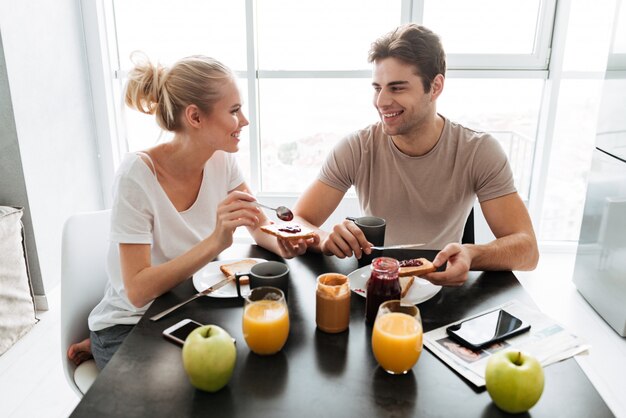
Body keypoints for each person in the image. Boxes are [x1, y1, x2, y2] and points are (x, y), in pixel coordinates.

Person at [68, 53, 316, 369]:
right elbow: (137, 291)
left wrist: (283, 242)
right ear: (195, 117)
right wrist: (216, 242)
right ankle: (100, 343)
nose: (244, 121)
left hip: (183, 306)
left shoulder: (221, 159)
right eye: (234, 111)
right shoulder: (137, 175)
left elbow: (258, 224)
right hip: (130, 325)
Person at [291, 23, 539, 286]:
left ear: (435, 87)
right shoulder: (356, 148)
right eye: (377, 88)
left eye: (397, 88)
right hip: (375, 283)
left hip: (441, 287)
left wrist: (471, 254)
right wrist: (324, 239)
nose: (381, 102)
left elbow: (528, 251)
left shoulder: (478, 151)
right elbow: (296, 222)